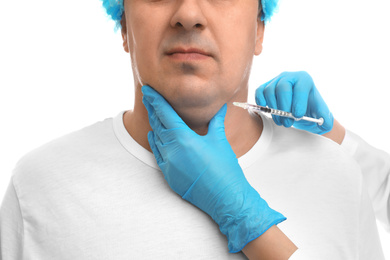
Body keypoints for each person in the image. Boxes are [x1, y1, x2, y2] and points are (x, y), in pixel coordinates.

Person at [1, 0, 389, 259]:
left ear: (259, 29)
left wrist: (246, 216)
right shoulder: (41, 186)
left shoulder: (336, 177)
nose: (188, 13)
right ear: (123, 25)